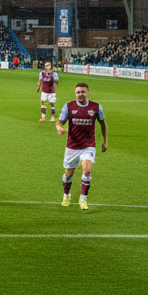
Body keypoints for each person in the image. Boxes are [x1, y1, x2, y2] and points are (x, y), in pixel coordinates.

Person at [55, 82, 109, 210]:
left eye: (83, 92)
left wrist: (105, 141)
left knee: (87, 170)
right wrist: (59, 127)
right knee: (68, 174)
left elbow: (103, 124)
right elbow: (59, 121)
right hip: (72, 146)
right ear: (75, 93)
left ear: (87, 92)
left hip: (88, 145)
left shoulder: (96, 107)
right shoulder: (69, 106)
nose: (80, 94)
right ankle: (66, 195)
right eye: (78, 92)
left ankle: (83, 199)